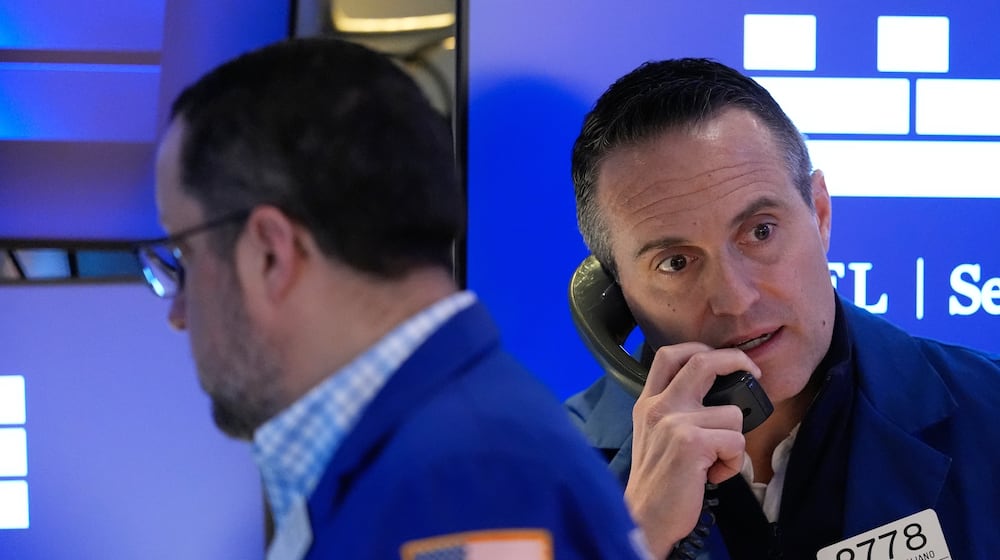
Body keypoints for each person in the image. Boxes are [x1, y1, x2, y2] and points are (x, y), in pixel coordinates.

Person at [136, 37, 651, 560]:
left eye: (182, 255)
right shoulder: (438, 456)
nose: (178, 314)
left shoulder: (462, 482)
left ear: (270, 253)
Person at [566, 57, 1000, 559]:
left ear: (820, 214)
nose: (736, 298)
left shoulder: (989, 414)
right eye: (676, 262)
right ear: (618, 292)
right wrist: (637, 538)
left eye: (760, 231)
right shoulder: (540, 470)